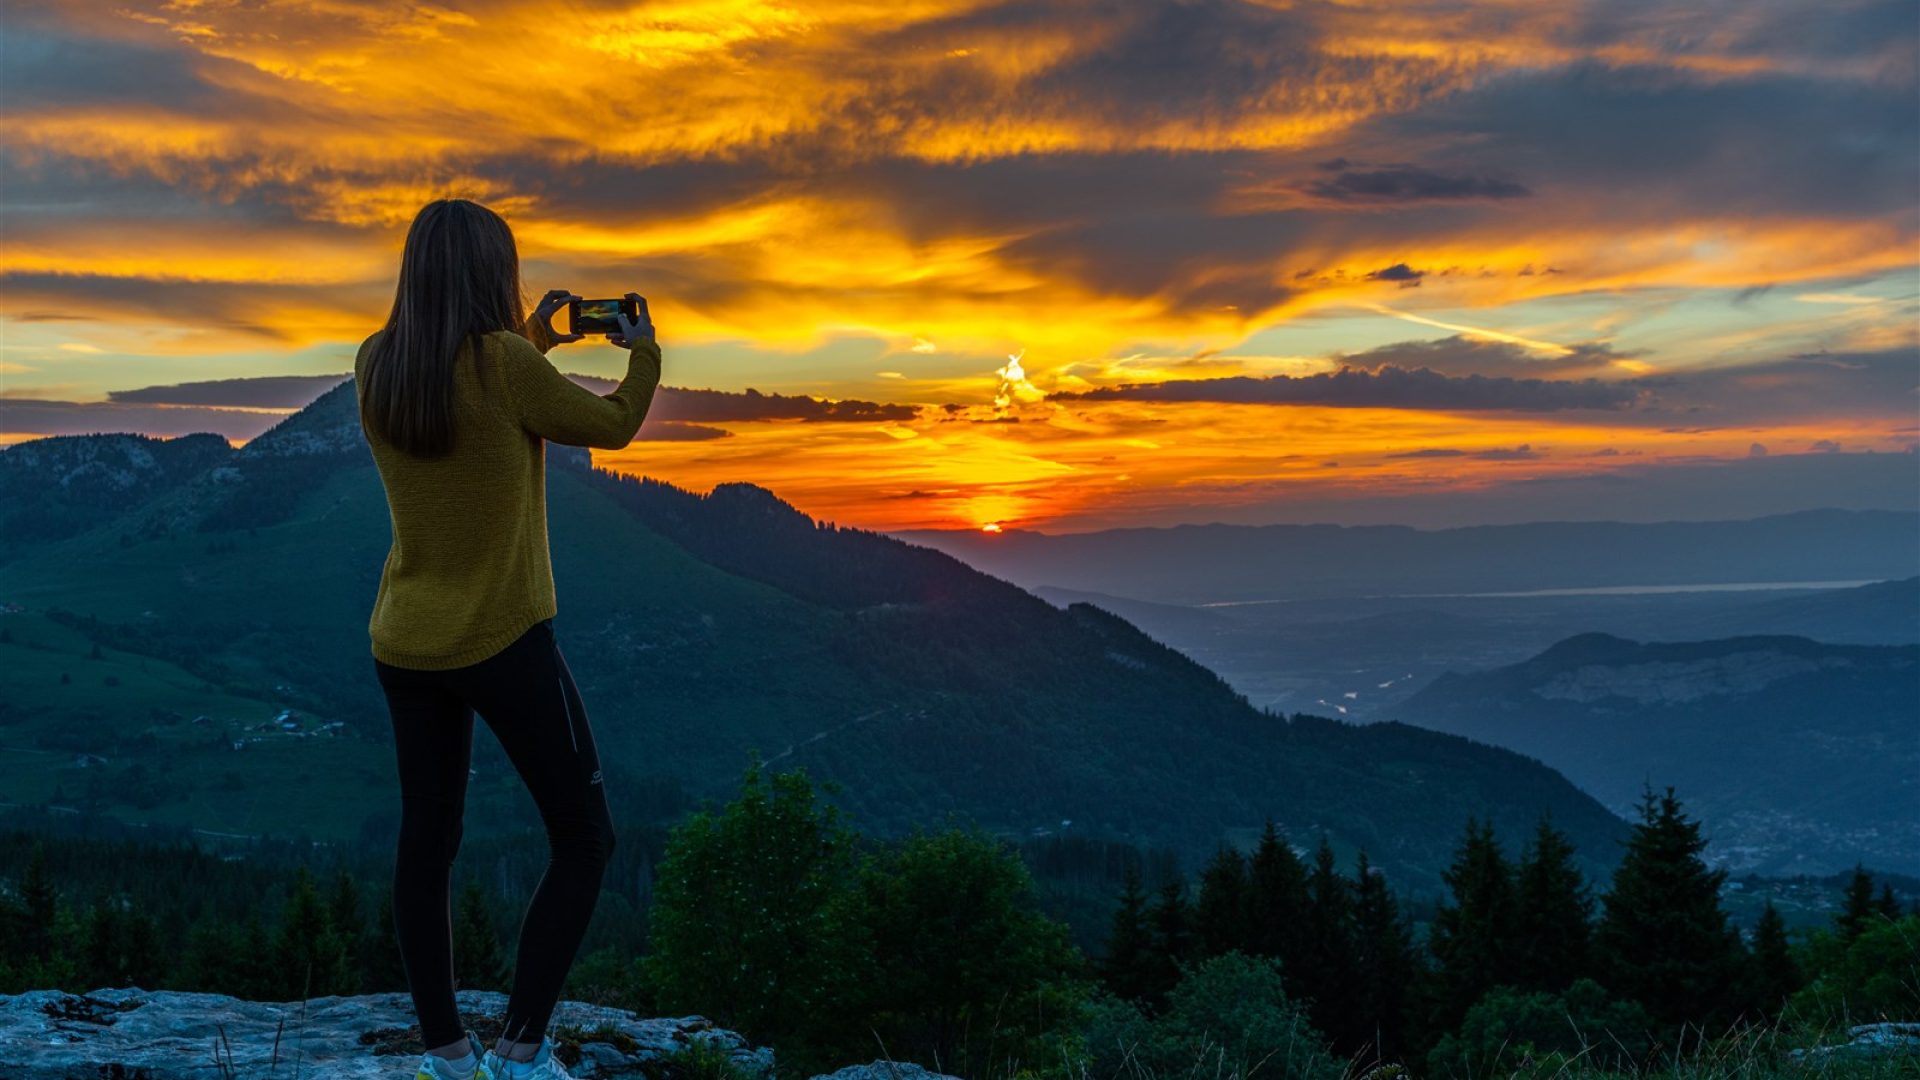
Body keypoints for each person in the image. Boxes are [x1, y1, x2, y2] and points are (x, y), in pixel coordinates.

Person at [352, 198, 662, 1080]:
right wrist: (643, 356)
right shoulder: (505, 366)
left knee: (427, 842)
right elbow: (610, 426)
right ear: (495, 271)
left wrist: (534, 339)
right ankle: (521, 1051)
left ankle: (447, 1055)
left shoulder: (379, 363)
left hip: (406, 643)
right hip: (503, 637)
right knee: (584, 835)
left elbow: (466, 393)